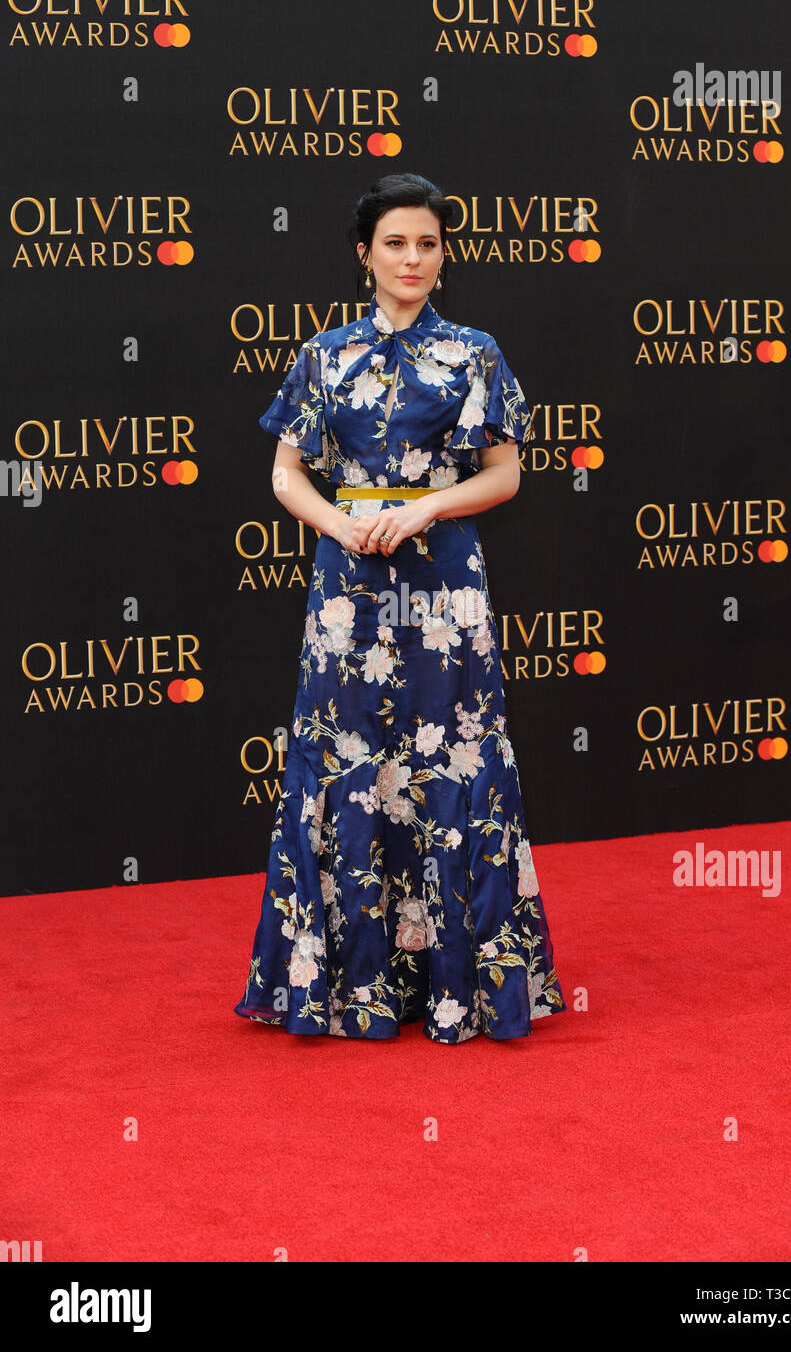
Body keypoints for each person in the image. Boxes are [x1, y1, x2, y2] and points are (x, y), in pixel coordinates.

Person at [234, 172, 566, 1044]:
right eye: (394, 243)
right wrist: (342, 523)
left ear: (443, 255)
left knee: (450, 759)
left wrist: (425, 507)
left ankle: (460, 984)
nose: (411, 258)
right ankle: (352, 985)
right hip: (347, 591)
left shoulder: (474, 353)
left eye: (426, 243)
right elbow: (283, 474)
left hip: (445, 582)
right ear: (364, 255)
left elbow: (505, 474)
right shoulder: (324, 354)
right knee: (346, 759)